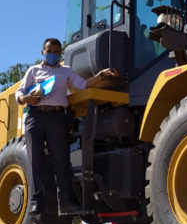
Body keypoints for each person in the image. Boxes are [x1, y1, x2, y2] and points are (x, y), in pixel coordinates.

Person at [15, 38, 117, 214]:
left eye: (56, 51)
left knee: (61, 160)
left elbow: (82, 85)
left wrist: (101, 75)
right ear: (42, 52)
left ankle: (65, 202)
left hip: (56, 117)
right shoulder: (33, 70)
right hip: (35, 117)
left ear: (60, 53)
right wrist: (26, 99)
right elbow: (19, 93)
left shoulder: (66, 71)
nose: (53, 54)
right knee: (35, 160)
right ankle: (36, 201)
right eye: (49, 51)